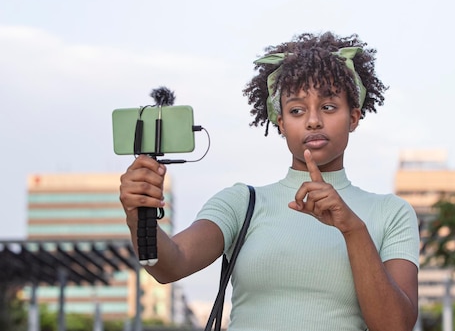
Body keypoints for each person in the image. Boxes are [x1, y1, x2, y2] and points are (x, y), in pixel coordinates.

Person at [119, 31, 420, 331]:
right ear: (281, 124)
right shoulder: (241, 203)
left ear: (353, 117)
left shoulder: (391, 213)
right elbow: (171, 264)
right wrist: (138, 213)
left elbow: (394, 326)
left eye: (328, 107)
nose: (313, 120)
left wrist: (352, 230)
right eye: (297, 110)